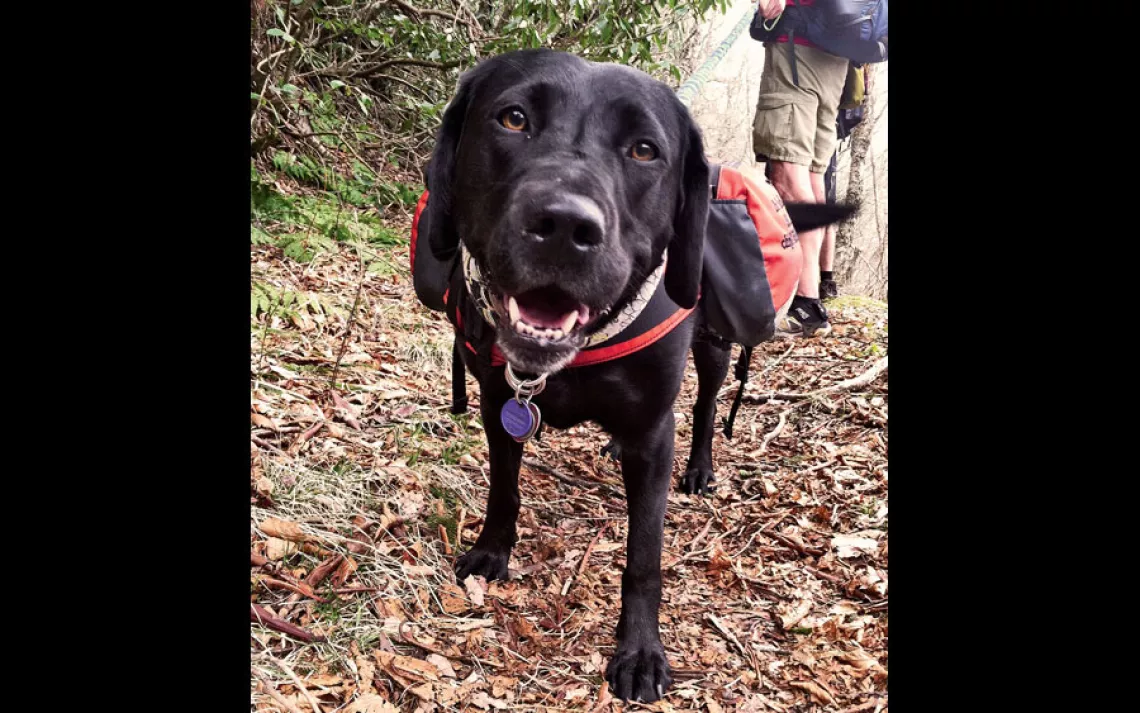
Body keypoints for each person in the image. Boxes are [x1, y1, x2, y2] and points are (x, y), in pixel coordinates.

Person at [752, 0, 849, 338]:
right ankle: (807, 298)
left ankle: (804, 304)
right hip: (833, 59)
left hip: (799, 54)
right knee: (811, 176)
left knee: (790, 176)